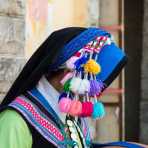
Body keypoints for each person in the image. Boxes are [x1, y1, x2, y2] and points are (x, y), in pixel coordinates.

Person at [0, 27, 145, 148]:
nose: (94, 92)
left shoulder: (72, 114)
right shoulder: (15, 121)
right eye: (90, 82)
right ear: (68, 71)